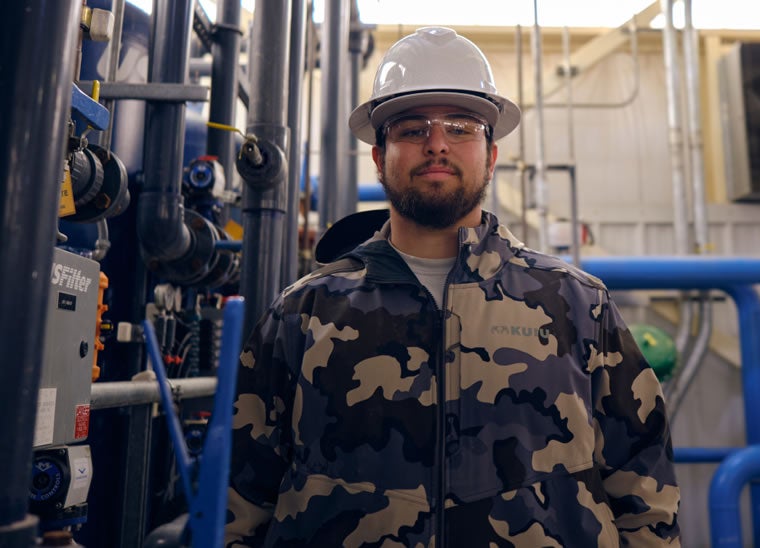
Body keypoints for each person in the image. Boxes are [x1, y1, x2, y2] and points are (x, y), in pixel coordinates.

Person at [226, 26, 680, 547]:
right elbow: (238, 504)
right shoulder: (303, 313)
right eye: (412, 129)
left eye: (461, 127)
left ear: (490, 156)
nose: (437, 143)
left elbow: (647, 497)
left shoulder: (577, 306)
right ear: (379, 157)